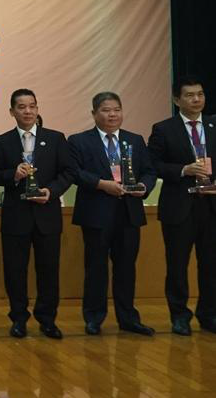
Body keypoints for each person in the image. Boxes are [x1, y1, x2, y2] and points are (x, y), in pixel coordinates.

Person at [68, 91, 156, 336]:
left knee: (126, 268)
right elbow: (74, 172)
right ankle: (94, 318)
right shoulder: (79, 141)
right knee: (96, 267)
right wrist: (101, 184)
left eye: (117, 109)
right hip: (96, 212)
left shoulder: (134, 140)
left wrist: (144, 186)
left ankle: (128, 318)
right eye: (106, 110)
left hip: (128, 212)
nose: (112, 115)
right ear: (94, 113)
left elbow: (149, 171)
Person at [0, 89, 73, 339]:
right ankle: (18, 319)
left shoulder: (55, 138)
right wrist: (13, 175)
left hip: (47, 214)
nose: (27, 111)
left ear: (37, 109)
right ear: (12, 111)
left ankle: (47, 320)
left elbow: (68, 172)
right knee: (15, 271)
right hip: (16, 216)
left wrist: (51, 191)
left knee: (49, 270)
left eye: (32, 106)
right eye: (22, 107)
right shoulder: (2, 141)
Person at [148, 75, 216, 335]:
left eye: (200, 94)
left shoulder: (213, 124)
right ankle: (179, 316)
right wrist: (183, 169)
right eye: (189, 95)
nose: (196, 99)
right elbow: (153, 164)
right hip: (179, 207)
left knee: (210, 264)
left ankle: (209, 314)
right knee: (177, 265)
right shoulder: (164, 129)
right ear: (177, 100)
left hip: (211, 205)